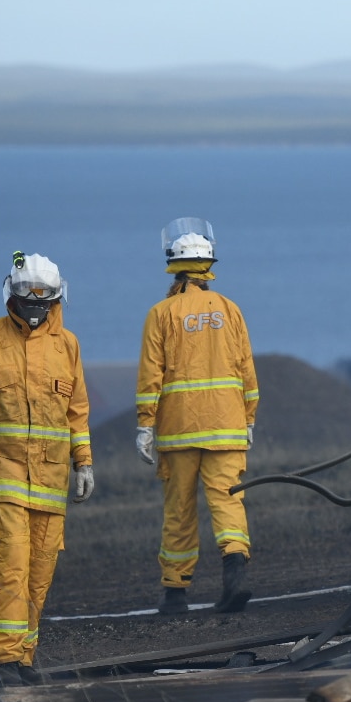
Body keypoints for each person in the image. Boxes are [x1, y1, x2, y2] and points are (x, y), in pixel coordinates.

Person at [0, 252, 94, 688]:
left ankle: (24, 659)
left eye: (44, 298)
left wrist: (84, 463)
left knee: (40, 569)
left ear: (57, 297)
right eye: (28, 297)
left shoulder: (68, 346)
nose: (35, 306)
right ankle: (5, 659)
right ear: (12, 295)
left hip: (50, 477)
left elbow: (76, 411)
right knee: (14, 559)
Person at [136, 218, 259, 615]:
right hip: (227, 426)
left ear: (173, 265)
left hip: (179, 430)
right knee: (227, 502)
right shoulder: (230, 309)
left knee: (180, 510)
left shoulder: (161, 313)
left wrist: (144, 424)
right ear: (209, 266)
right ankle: (235, 573)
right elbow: (246, 371)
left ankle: (175, 593)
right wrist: (249, 417)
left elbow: (151, 373)